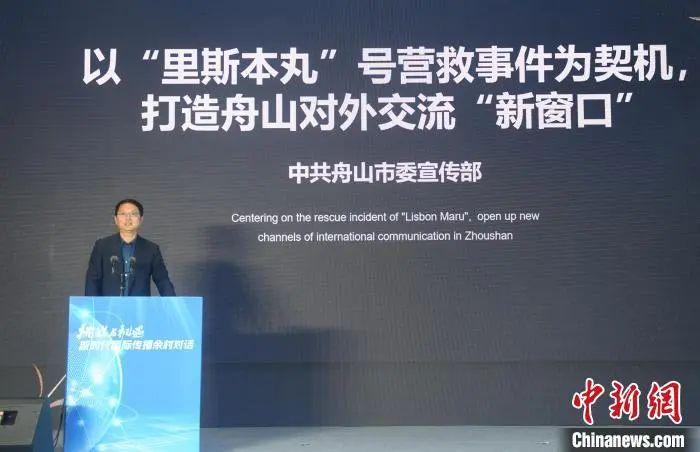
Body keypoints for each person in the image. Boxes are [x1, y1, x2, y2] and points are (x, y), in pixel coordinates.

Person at [85, 199, 176, 296]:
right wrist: (91, 304)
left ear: (141, 219)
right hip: (109, 305)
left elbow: (163, 281)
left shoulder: (151, 249)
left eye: (133, 214)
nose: (128, 218)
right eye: (123, 214)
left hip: (139, 305)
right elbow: (92, 280)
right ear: (116, 219)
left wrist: (173, 303)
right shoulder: (102, 246)